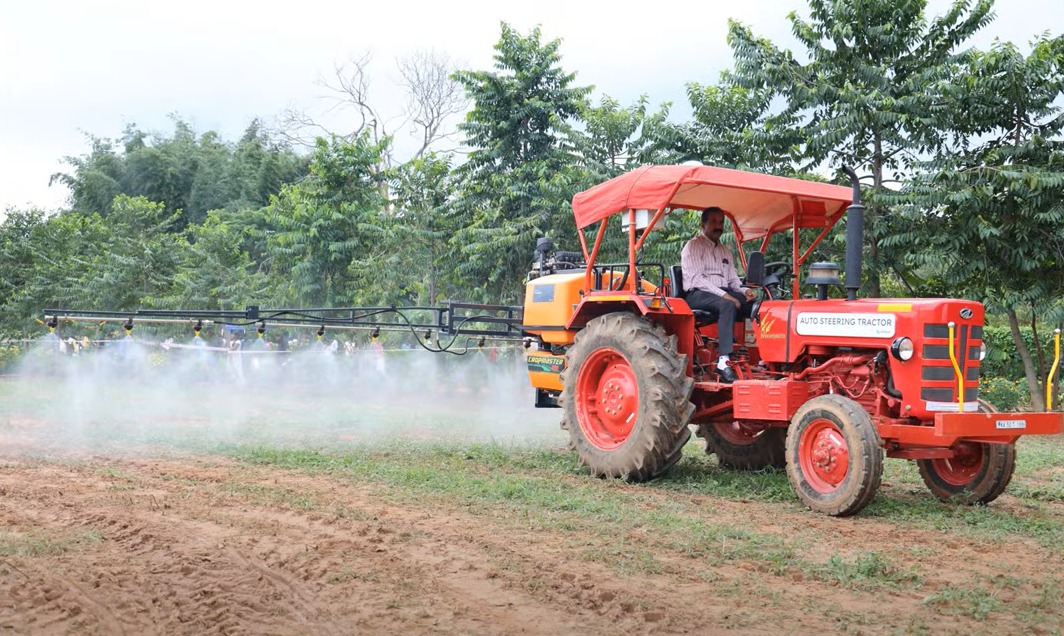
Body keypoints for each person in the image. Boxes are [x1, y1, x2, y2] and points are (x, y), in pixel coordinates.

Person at [681, 206, 757, 383]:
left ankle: (763, 358)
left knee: (757, 306)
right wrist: (725, 296)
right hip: (697, 294)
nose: (718, 226)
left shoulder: (725, 251)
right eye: (714, 222)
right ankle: (724, 363)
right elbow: (697, 279)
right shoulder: (694, 246)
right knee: (728, 304)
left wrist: (746, 291)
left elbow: (733, 281)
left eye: (721, 222)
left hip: (722, 293)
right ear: (703, 224)